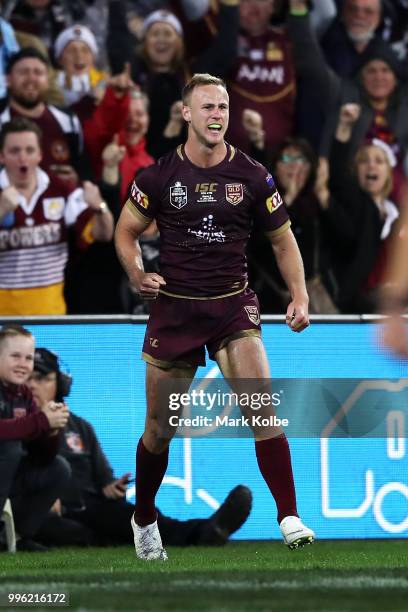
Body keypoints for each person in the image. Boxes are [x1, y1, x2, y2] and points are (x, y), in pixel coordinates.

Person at [115, 73, 315, 560]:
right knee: (160, 430)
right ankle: (144, 517)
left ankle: (289, 516)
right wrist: (139, 274)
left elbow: (282, 240)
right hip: (176, 310)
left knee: (262, 411)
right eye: (207, 107)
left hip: (232, 306)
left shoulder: (252, 175)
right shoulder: (158, 176)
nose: (217, 115)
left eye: (223, 107)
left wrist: (300, 296)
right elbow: (125, 234)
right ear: (187, 113)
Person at [29, 347, 253, 548]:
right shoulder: (16, 423)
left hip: (91, 508)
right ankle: (200, 533)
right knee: (68, 532)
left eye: (41, 378)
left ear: (60, 384)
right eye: (28, 378)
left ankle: (207, 530)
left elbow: (104, 480)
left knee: (138, 517)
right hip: (43, 511)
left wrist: (111, 487)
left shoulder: (80, 427)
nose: (32, 386)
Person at [0, 116, 114, 315]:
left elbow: (104, 234)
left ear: (40, 155)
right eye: (14, 151)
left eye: (29, 150)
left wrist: (100, 207)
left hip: (51, 318)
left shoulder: (62, 190)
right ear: (2, 156)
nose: (23, 158)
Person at [0, 325, 70, 552]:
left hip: (8, 476)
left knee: (58, 467)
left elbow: (41, 457)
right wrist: (41, 421)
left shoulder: (24, 394)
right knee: (9, 448)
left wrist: (50, 431)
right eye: (15, 356)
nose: (23, 364)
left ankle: (18, 536)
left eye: (28, 358)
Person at [0, 46, 90, 184]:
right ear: (8, 79)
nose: (31, 78)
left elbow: (83, 168)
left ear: (48, 80)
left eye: (38, 72)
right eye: (23, 72)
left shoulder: (68, 120)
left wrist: (76, 178)